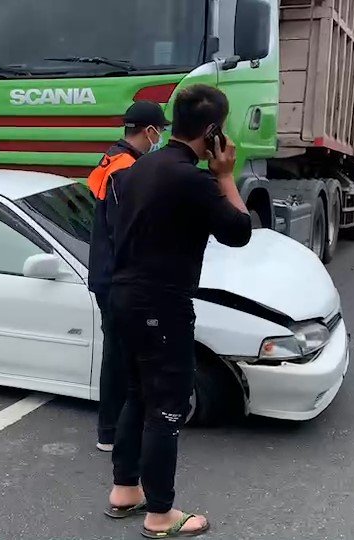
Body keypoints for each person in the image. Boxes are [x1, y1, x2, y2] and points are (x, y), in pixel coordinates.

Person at [104, 84, 252, 538]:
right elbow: (240, 231)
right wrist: (225, 175)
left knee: (136, 393)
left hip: (123, 296)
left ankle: (125, 490)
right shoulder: (193, 179)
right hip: (161, 303)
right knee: (167, 406)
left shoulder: (139, 167)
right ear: (213, 131)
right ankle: (160, 515)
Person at [87, 101, 170, 453]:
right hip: (116, 278)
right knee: (120, 356)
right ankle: (110, 432)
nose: (161, 137)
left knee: (119, 353)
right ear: (148, 131)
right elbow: (124, 230)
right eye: (159, 131)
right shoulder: (125, 170)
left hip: (108, 275)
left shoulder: (113, 160)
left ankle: (115, 427)